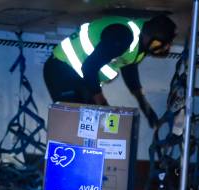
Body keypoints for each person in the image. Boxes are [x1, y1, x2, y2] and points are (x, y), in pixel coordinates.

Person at [44, 14, 176, 127]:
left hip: (81, 79)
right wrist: (103, 104)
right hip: (61, 70)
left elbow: (129, 70)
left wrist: (144, 105)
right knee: (74, 123)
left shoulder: (140, 44)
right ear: (149, 35)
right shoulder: (123, 36)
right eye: (158, 45)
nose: (161, 50)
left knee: (91, 124)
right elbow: (89, 67)